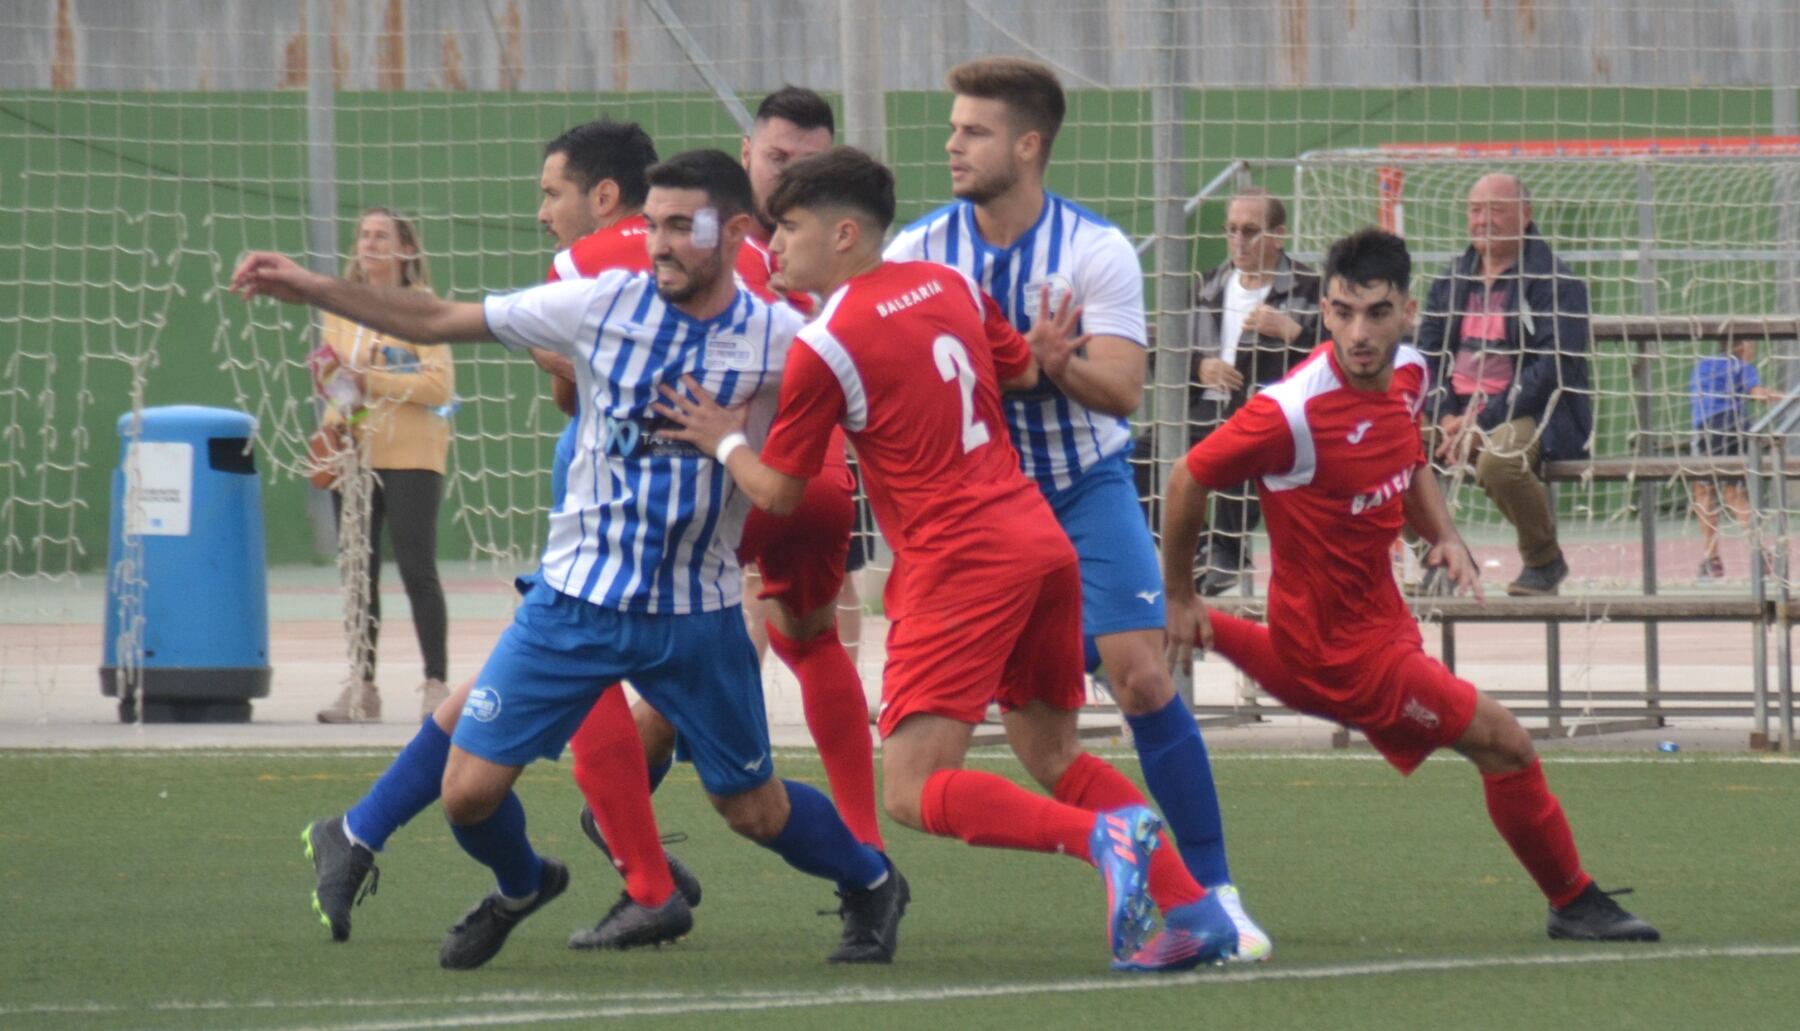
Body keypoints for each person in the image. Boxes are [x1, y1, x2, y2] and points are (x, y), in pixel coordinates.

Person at [239, 149, 904, 971]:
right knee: (468, 795)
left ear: (735, 232)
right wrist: (309, 285)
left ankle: (873, 880)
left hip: (692, 618)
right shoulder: (597, 304)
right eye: (651, 223)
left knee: (753, 809)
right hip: (571, 607)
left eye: (678, 225)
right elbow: (439, 317)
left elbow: (891, 396)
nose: (657, 243)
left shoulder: (785, 339)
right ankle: (523, 884)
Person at [653, 146, 1231, 970]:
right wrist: (1040, 348)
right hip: (1039, 542)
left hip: (960, 563)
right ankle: (1191, 909)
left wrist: (725, 437)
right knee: (1054, 754)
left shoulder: (827, 341)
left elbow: (779, 493)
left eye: (786, 227)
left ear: (844, 234)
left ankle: (1103, 836)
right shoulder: (950, 285)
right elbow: (1025, 365)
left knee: (913, 791)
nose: (771, 246)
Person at [1162, 226, 1660, 944]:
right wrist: (1179, 593)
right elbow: (1186, 478)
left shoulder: (1413, 374)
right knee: (1508, 745)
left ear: (1408, 311)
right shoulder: (1291, 410)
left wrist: (1443, 534)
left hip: (1369, 629)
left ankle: (1119, 635)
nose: (1356, 331)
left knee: (1241, 654)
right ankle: (1572, 899)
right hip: (1351, 660)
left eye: (1375, 312)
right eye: (1341, 312)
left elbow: (1410, 455)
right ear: (1325, 310)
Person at [883, 56, 1268, 960]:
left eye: (973, 131)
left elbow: (1126, 390)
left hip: (1084, 487)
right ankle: (1155, 879)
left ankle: (1215, 889)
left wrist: (1054, 365)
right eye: (952, 127)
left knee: (1141, 675)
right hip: (981, 511)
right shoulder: (917, 252)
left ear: (1028, 144)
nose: (952, 144)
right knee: (1036, 741)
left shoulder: (1093, 249)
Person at [299, 121, 693, 952]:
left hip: (649, 517)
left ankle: (651, 873)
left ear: (606, 195)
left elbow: (458, 343)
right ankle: (380, 834)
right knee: (487, 752)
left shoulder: (593, 262)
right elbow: (576, 393)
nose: (543, 212)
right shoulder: (706, 255)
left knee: (751, 790)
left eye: (552, 193)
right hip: (652, 514)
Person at [614, 87, 884, 864]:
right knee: (811, 640)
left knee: (640, 642)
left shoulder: (720, 242)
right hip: (816, 480)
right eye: (777, 159)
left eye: (807, 163)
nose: (790, 174)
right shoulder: (853, 256)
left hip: (736, 475)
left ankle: (624, 825)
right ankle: (864, 842)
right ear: (746, 157)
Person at [1415, 172, 1593, 597]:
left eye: (1497, 209)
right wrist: (1447, 416)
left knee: (1499, 462)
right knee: (1388, 450)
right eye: (1476, 210)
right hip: (1456, 412)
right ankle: (1444, 555)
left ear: (1525, 215)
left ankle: (1544, 560)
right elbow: (1428, 356)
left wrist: (1482, 420)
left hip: (1533, 411)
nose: (1483, 220)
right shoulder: (1450, 280)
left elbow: (1552, 370)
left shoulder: (1557, 283)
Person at [313, 207, 454, 724]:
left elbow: (439, 385)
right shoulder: (340, 308)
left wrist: (374, 381)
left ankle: (435, 683)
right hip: (355, 452)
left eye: (381, 236)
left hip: (413, 454)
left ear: (405, 249)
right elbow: (336, 381)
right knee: (358, 574)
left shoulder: (421, 307)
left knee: (417, 568)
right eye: (364, 235)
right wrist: (334, 419)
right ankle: (362, 687)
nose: (370, 243)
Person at [1179, 186, 1320, 596]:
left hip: (1270, 413)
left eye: (1251, 231)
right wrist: (1199, 366)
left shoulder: (1309, 288)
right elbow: (1166, 350)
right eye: (1232, 230)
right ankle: (1202, 546)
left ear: (1278, 235)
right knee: (1139, 459)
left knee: (1241, 436)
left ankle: (1228, 552)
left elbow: (1337, 356)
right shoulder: (1207, 286)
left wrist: (1293, 331)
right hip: (1202, 409)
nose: (1238, 242)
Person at [1690, 332, 1778, 580]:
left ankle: (1711, 559)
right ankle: (1759, 553)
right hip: (1733, 428)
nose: (1754, 350)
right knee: (1734, 493)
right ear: (1744, 345)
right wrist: (1785, 398)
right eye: (1752, 345)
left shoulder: (1702, 367)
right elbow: (1758, 393)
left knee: (1704, 492)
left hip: (1708, 430)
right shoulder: (1741, 366)